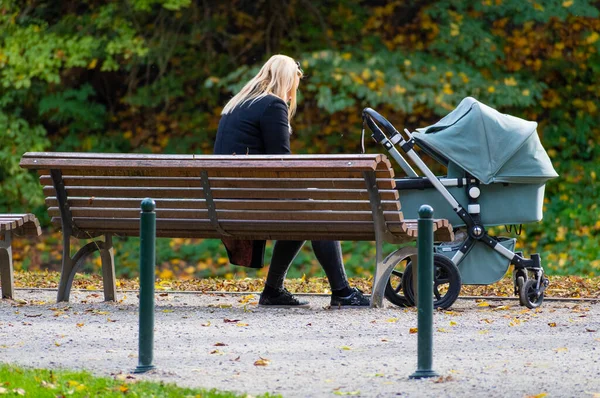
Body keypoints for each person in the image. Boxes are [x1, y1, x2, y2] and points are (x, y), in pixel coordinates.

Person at [213, 54, 369, 308]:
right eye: (293, 88)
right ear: (287, 82)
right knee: (317, 214)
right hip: (249, 202)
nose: (291, 95)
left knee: (302, 210)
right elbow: (282, 164)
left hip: (227, 202)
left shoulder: (235, 105)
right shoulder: (272, 104)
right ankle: (342, 292)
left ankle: (273, 291)